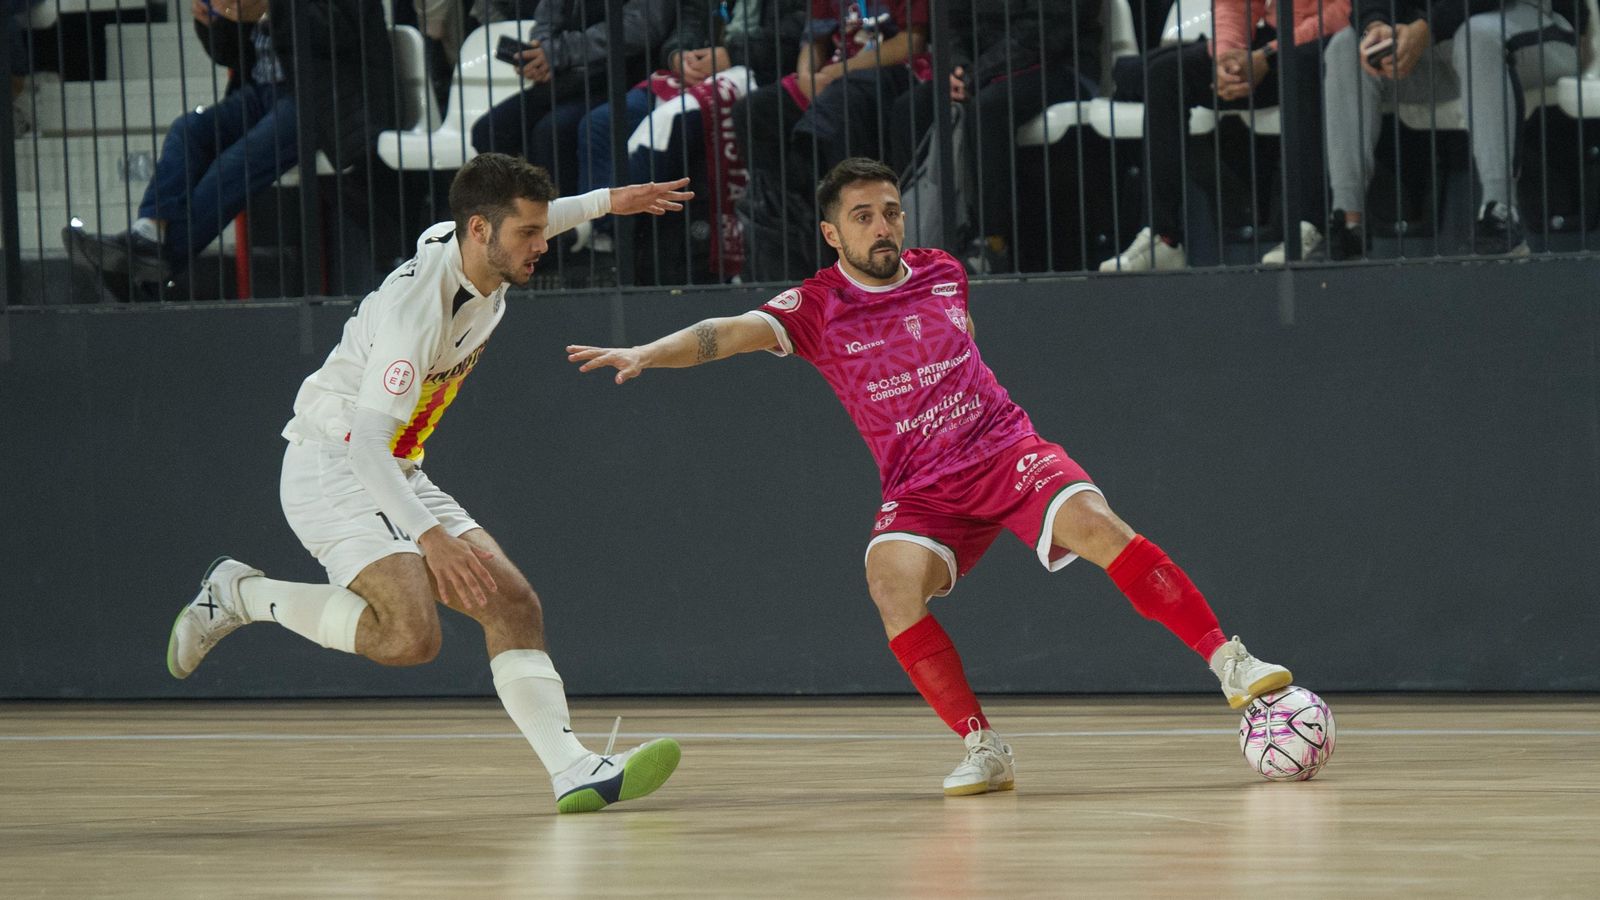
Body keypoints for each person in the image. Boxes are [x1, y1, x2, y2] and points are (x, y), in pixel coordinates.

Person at [566, 158, 1293, 796]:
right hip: (920, 488)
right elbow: (726, 333)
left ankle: (1229, 660)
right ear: (832, 235)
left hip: (1003, 450)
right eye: (863, 217)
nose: (882, 227)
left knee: (1098, 526)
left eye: (890, 212)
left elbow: (962, 337)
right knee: (889, 582)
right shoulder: (817, 306)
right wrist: (646, 353)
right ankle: (983, 747)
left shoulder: (943, 270)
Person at [164, 153, 695, 813]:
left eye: (541, 229)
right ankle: (241, 595)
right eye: (528, 234)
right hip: (334, 464)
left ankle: (573, 770)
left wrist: (612, 200)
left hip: (394, 463)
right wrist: (430, 537)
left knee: (512, 604)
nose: (542, 244)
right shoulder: (418, 312)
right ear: (479, 231)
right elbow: (365, 447)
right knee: (410, 637)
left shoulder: (482, 246)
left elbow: (534, 216)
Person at [62, 0, 397, 296]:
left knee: (234, 166)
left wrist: (269, 9)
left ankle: (143, 266)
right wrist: (216, 21)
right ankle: (148, 234)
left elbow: (341, 30)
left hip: (325, 95)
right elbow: (230, 53)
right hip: (264, 91)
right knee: (188, 131)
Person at [1100, 0, 1349, 272]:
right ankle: (1163, 237)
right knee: (1165, 74)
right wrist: (1227, 56)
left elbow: (1347, 10)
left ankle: (1310, 227)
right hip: (1272, 45)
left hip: (1332, 42)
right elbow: (1234, 5)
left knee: (1303, 65)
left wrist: (1268, 55)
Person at [1321, 0, 1582, 257]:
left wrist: (1427, 29)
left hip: (1535, 26)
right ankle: (1348, 221)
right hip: (1440, 44)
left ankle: (1501, 215)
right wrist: (1374, 26)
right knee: (1345, 46)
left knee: (1477, 36)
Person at [888, 0, 1102, 273]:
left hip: (1061, 64)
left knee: (987, 109)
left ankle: (992, 242)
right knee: (910, 108)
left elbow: (1045, 31)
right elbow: (951, 25)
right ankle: (917, 234)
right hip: (982, 72)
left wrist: (975, 76)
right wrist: (958, 68)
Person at [732, 0, 928, 281]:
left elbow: (912, 42)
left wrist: (839, 71)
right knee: (754, 111)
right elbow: (814, 41)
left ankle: (854, 243)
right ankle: (789, 235)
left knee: (836, 110)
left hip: (893, 72)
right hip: (833, 78)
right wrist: (807, 77)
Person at [469, 0, 674, 196]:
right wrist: (541, 54)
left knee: (551, 132)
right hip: (565, 79)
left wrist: (557, 53)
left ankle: (563, 217)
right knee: (489, 130)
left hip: (621, 77)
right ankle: (515, 213)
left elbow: (640, 28)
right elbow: (545, 20)